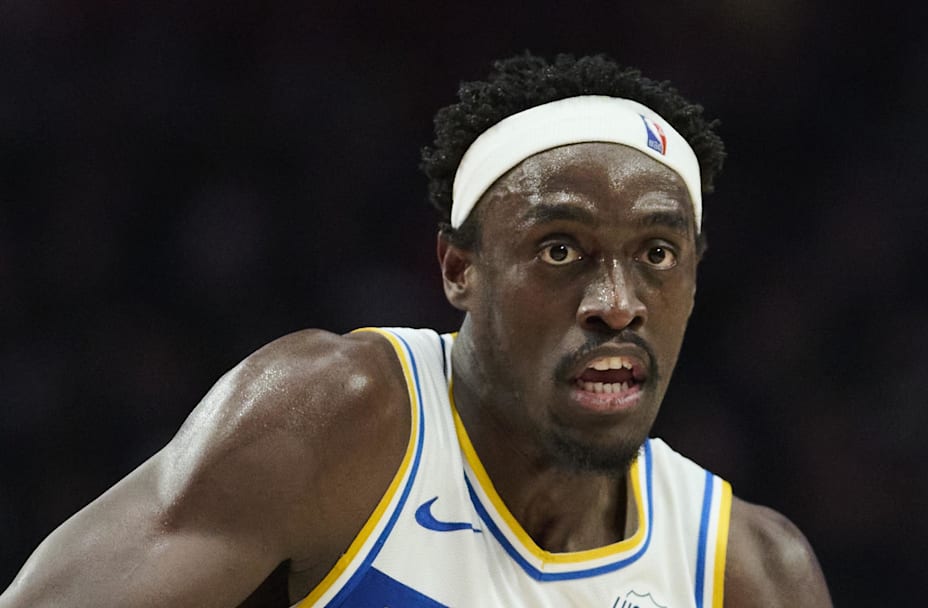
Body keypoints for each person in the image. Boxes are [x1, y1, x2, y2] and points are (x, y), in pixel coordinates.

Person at [0, 53, 831, 607]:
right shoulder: (337, 422)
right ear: (458, 269)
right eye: (560, 248)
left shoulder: (750, 573)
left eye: (656, 252)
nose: (616, 301)